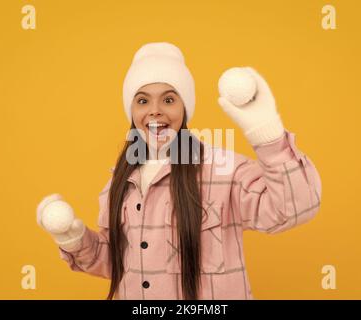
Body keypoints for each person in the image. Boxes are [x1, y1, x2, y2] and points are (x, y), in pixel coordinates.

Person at [36, 42, 322, 300]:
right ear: (131, 110)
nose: (155, 111)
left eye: (169, 99)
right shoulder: (121, 179)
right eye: (143, 100)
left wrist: (267, 134)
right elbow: (116, 264)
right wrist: (73, 238)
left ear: (185, 108)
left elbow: (294, 208)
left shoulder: (222, 170)